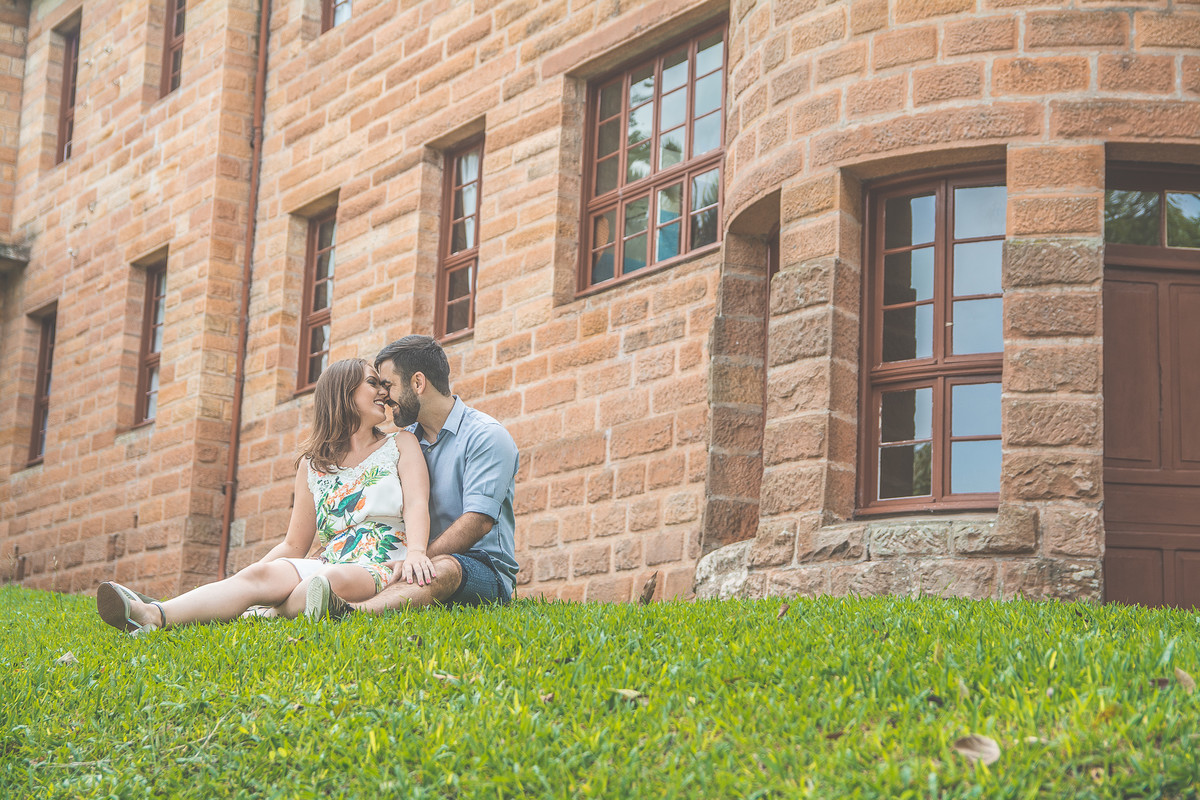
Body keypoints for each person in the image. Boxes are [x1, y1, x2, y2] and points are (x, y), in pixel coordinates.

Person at [95, 358, 434, 634]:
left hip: (379, 563)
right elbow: (293, 545)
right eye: (372, 382)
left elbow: (417, 502)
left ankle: (266, 613)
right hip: (327, 559)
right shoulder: (314, 466)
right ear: (344, 393)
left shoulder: (400, 443)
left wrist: (417, 551)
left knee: (322, 583)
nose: (383, 391)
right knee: (265, 577)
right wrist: (247, 578)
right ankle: (152, 614)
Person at [304, 335, 520, 618]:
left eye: (388, 385)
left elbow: (478, 521)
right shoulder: (400, 444)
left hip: (481, 566)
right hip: (407, 559)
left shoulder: (486, 436)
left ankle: (352, 613)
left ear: (418, 383)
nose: (383, 395)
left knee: (441, 569)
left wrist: (414, 559)